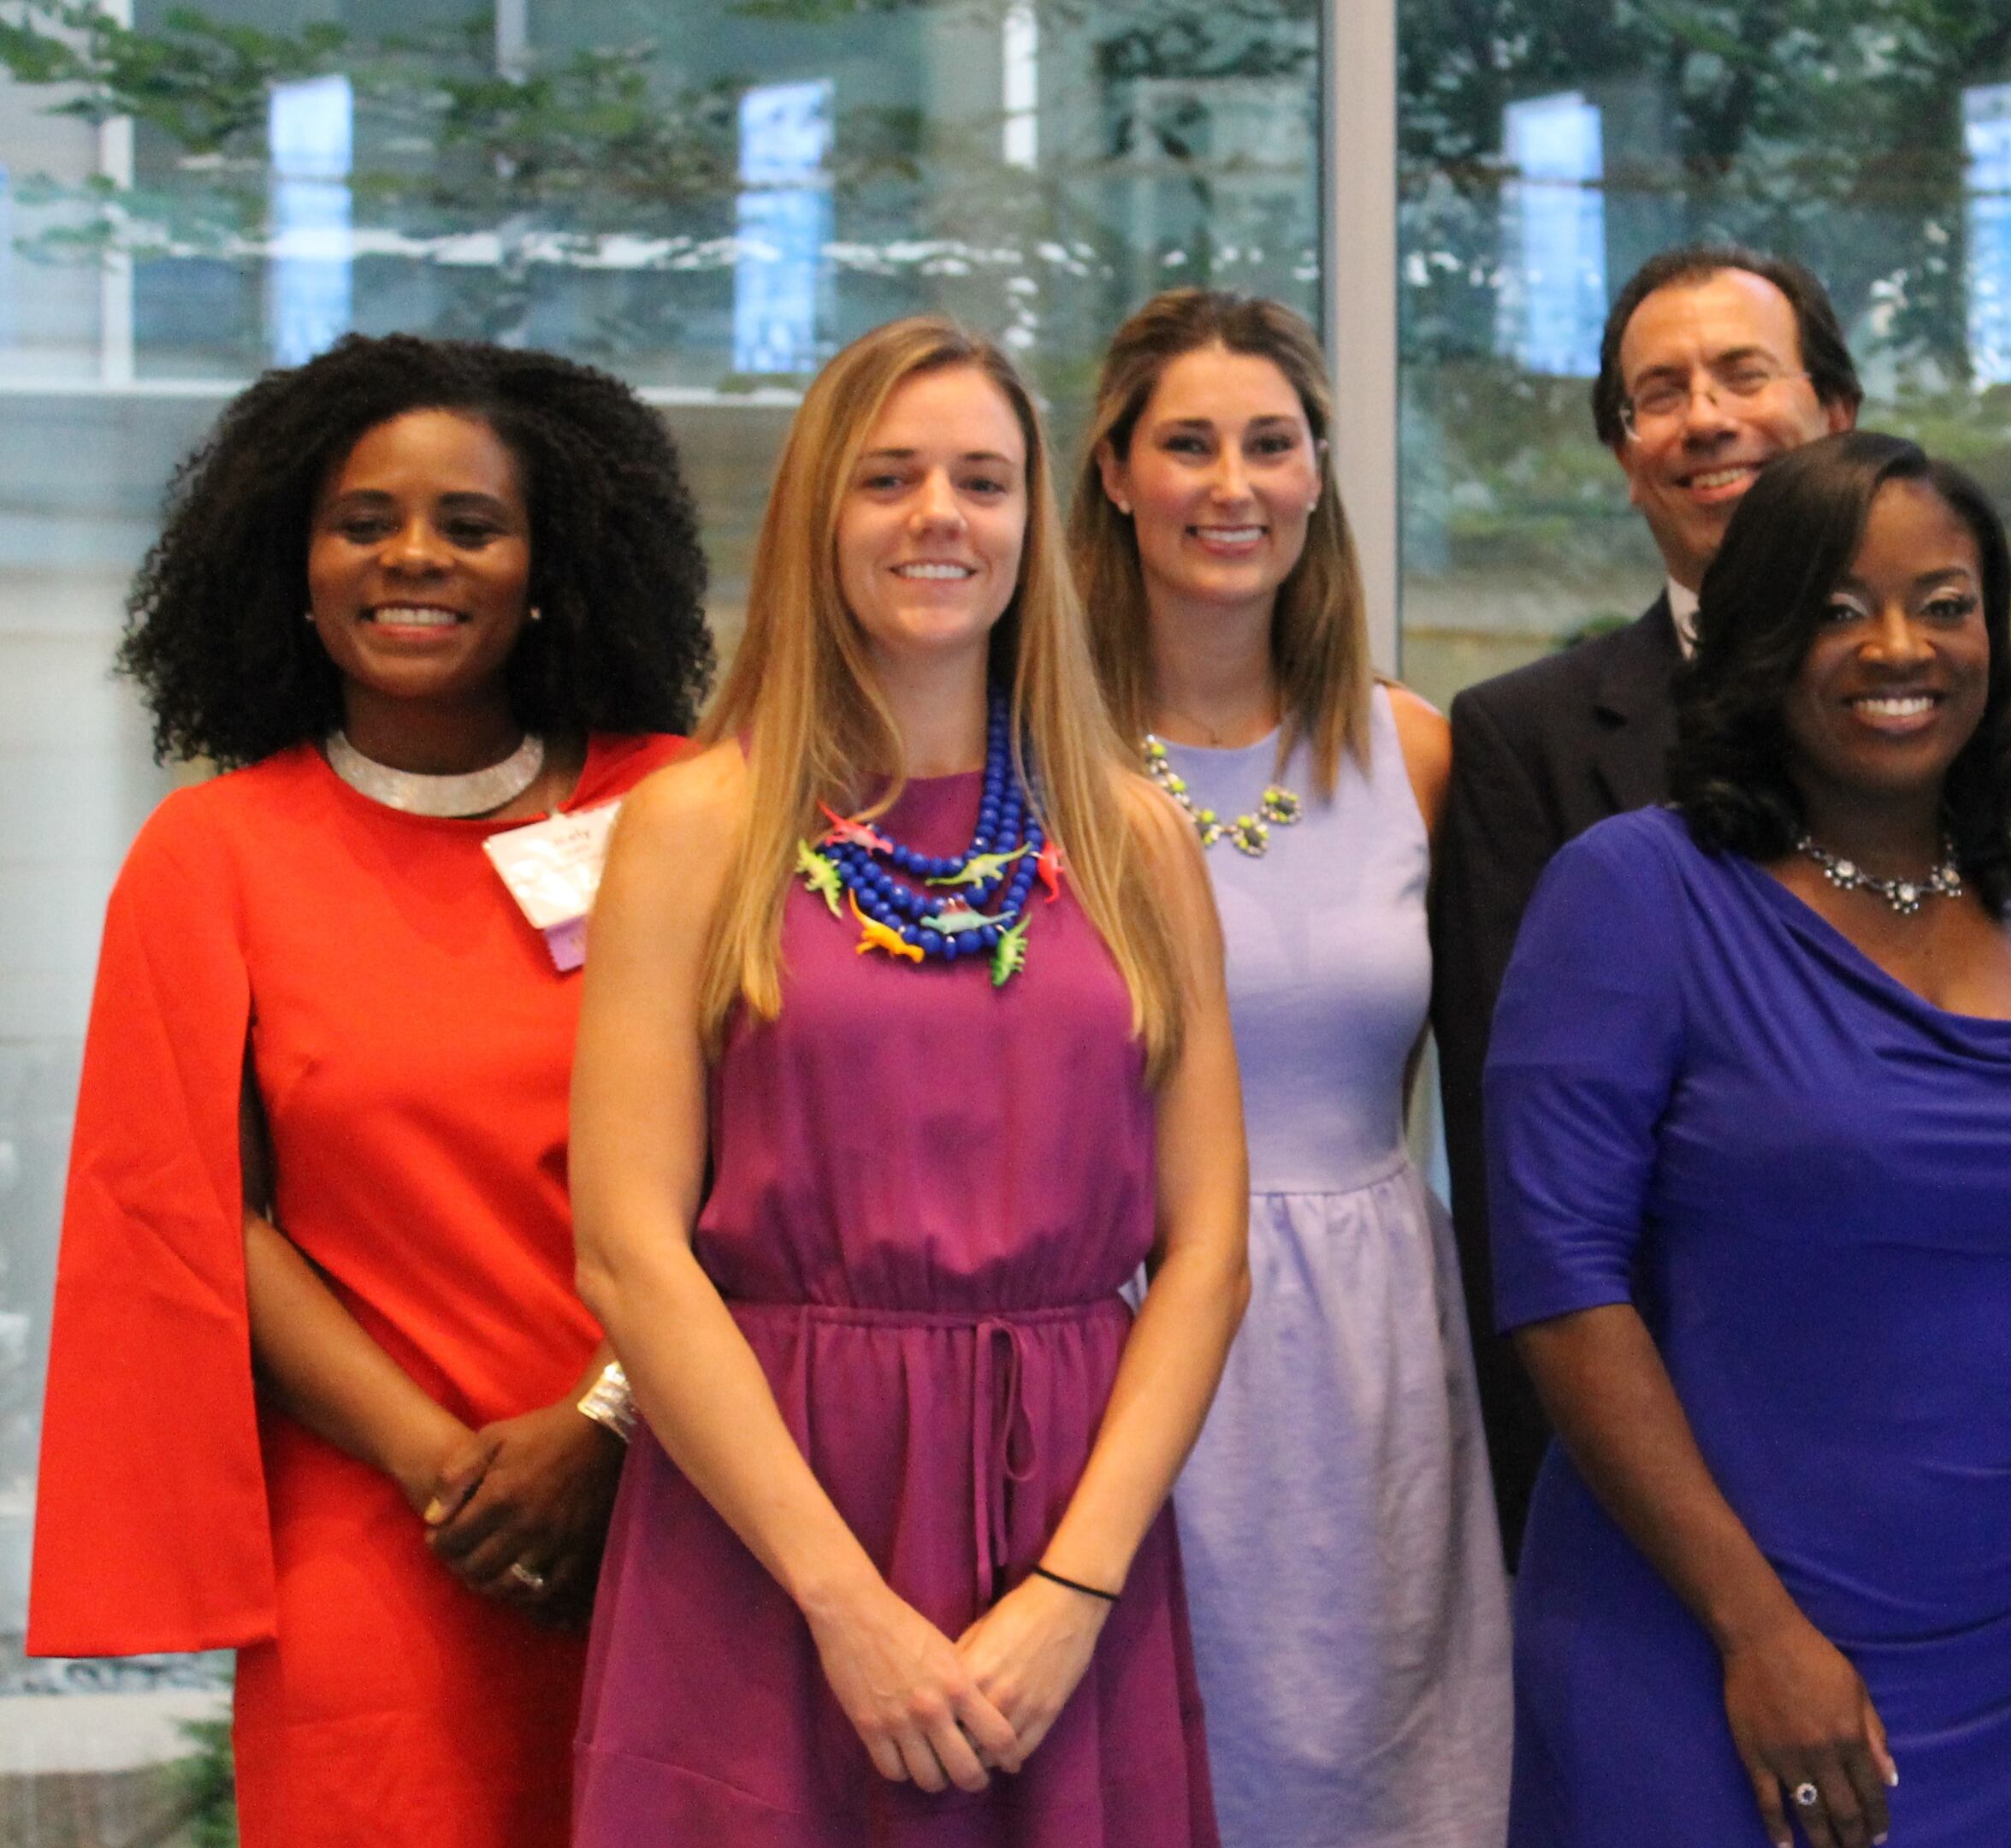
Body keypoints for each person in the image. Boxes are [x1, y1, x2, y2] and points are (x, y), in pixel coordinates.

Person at [566, 315, 1248, 1845]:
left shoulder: (1135, 841)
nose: (940, 516)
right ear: (817, 515)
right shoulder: (694, 828)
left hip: (1069, 1524)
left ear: (1032, 525)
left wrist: (1073, 1592)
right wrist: (843, 1600)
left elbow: (1207, 1255)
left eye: (982, 482)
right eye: (889, 479)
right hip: (769, 1526)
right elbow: (626, 1250)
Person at [29, 335, 713, 1847]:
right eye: (363, 523)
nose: (413, 556)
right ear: (295, 565)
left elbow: (785, 1153)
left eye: (471, 524)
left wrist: (605, 1427)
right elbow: (199, 1212)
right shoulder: (213, 856)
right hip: (382, 1531)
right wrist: (453, 1479)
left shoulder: (690, 807)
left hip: (690, 1490)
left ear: (549, 569)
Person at [1485, 431, 2011, 1848]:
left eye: (1945, 603)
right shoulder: (1635, 893)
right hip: (1707, 1651)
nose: (1898, 648)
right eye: (1839, 609)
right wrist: (1755, 1631)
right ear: (1757, 642)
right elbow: (1560, 1287)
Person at [1433, 244, 2011, 1549]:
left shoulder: (2010, 712)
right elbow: (1531, 1225)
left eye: (1744, 373)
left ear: (1837, 412)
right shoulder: (1529, 746)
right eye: (1660, 392)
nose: (1706, 417)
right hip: (1693, 1527)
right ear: (1623, 452)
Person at [1070, 287, 1511, 1845]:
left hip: (1370, 1344)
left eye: (1270, 444)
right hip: (1113, 1334)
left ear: (1320, 473)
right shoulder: (1036, 763)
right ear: (1114, 472)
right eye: (1187, 444)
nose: (1232, 485)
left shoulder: (1416, 753)